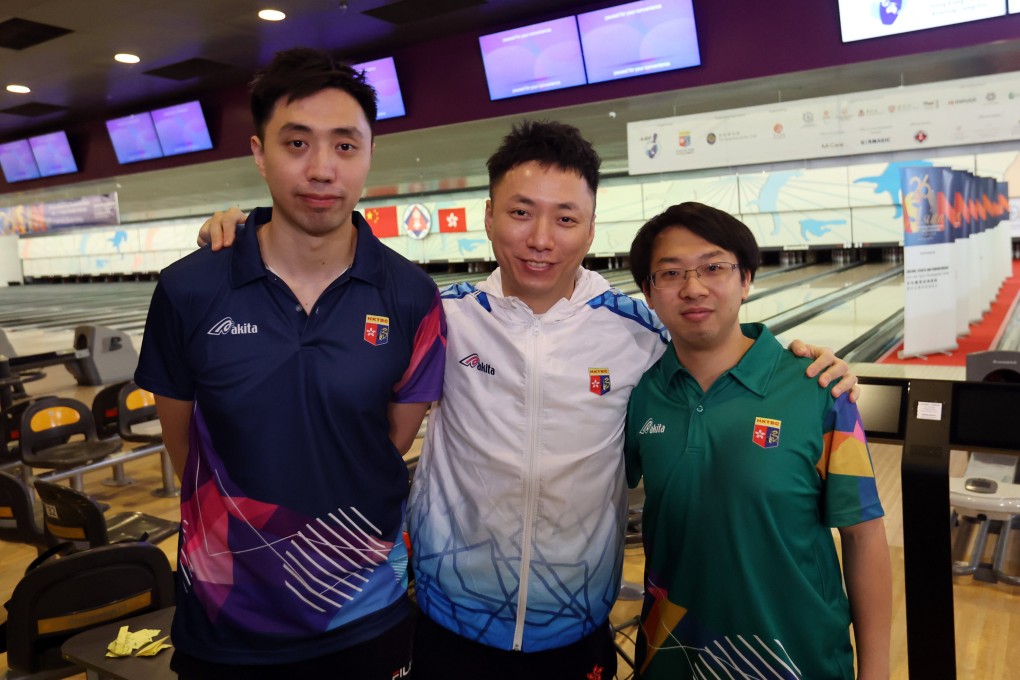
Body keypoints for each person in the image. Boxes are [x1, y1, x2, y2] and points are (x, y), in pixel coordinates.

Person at [198, 121, 857, 680]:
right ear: (489, 216)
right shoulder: (441, 316)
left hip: (575, 624)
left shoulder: (641, 332)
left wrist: (814, 365)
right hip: (447, 618)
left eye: (565, 218)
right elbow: (319, 315)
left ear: (590, 226)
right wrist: (250, 232)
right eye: (520, 212)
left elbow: (722, 356)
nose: (542, 238)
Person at [135, 48, 446, 680]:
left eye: (345, 146)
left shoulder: (412, 296)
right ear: (258, 152)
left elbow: (384, 446)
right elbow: (184, 447)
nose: (322, 168)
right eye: (297, 143)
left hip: (364, 608)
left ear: (368, 155)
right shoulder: (189, 290)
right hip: (225, 616)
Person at [624, 202, 891, 680]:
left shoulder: (819, 389)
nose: (693, 288)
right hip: (673, 658)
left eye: (714, 267)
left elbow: (864, 535)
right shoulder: (641, 393)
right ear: (648, 290)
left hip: (800, 660)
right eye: (670, 273)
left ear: (746, 278)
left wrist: (876, 673)